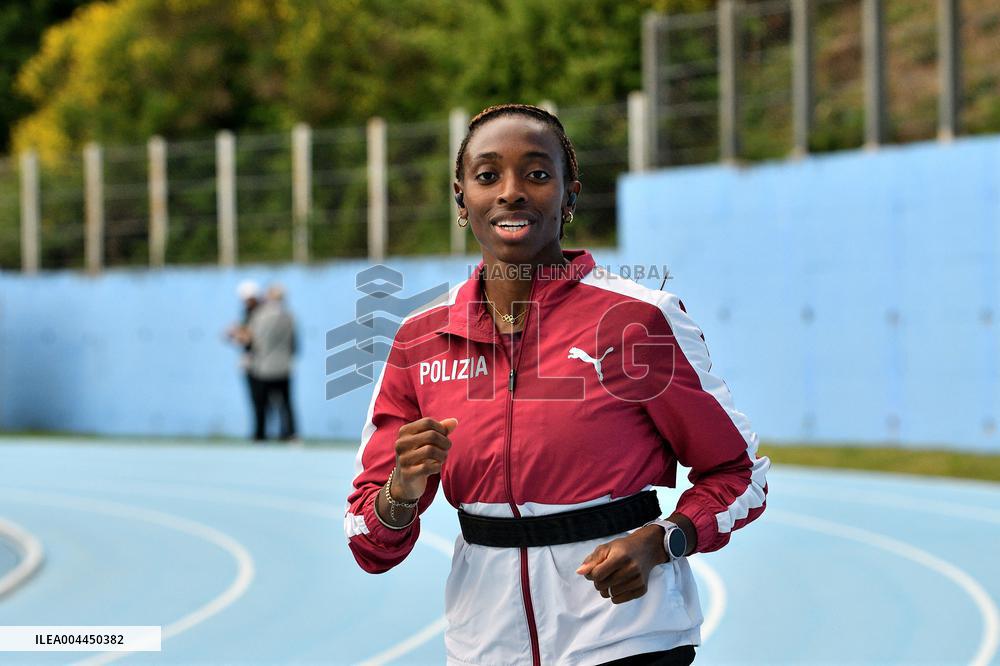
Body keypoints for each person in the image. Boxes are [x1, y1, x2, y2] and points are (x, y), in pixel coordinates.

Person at [345, 104, 770, 665]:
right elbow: (370, 544)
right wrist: (401, 490)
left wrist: (663, 540)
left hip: (627, 632)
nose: (512, 193)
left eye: (539, 175)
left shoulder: (636, 321)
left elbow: (739, 474)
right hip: (486, 644)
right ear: (461, 196)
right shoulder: (421, 340)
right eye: (488, 175)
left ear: (570, 195)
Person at [247, 283, 298, 442]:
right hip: (284, 366)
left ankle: (260, 434)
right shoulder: (289, 316)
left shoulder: (259, 315)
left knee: (261, 403)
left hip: (263, 367)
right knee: (286, 403)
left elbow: (255, 341)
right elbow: (294, 343)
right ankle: (289, 434)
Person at [226, 279, 263, 440]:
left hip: (262, 362)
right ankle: (259, 432)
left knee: (265, 398)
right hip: (251, 361)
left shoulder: (260, 314)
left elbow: (251, 338)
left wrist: (238, 335)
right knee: (255, 398)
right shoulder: (247, 313)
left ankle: (264, 433)